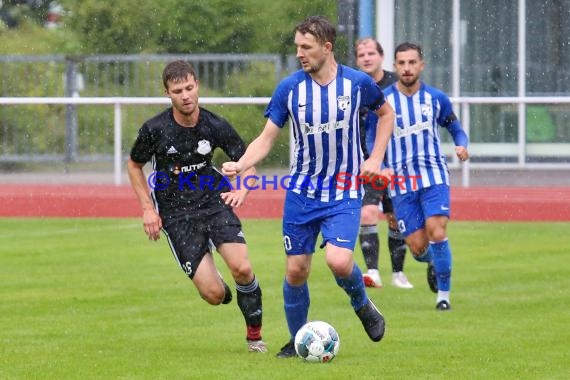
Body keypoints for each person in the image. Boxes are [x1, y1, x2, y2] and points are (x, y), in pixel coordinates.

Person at [222, 16, 395, 358]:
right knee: (296, 270)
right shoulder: (290, 88)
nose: (300, 53)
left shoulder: (358, 84)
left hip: (344, 191)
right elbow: (267, 137)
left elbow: (386, 115)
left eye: (306, 47)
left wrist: (375, 158)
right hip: (301, 194)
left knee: (339, 262)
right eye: (297, 46)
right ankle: (296, 338)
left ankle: (362, 304)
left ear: (327, 48)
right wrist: (242, 163)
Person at [126, 60, 266, 352]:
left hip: (215, 201)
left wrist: (243, 188)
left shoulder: (215, 125)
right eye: (178, 90)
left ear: (197, 86)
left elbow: (247, 161)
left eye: (189, 88)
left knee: (241, 267)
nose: (185, 95)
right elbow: (134, 165)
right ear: (168, 93)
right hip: (176, 214)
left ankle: (255, 336)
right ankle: (224, 290)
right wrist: (147, 209)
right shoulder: (155, 129)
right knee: (214, 295)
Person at [383, 42, 470, 310]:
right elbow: (371, 139)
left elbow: (456, 128)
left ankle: (443, 296)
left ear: (421, 65)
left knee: (437, 231)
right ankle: (434, 261)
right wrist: (380, 164)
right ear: (395, 66)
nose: (407, 68)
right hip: (400, 182)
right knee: (418, 247)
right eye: (402, 63)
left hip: (433, 176)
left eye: (412, 62)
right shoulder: (383, 101)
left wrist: (462, 144)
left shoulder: (436, 99)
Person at [354, 37, 413, 289]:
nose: (366, 58)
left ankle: (398, 273)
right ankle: (372, 271)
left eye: (371, 53)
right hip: (366, 163)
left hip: (397, 162)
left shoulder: (396, 85)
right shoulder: (354, 85)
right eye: (361, 54)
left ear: (381, 56)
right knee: (367, 212)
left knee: (394, 216)